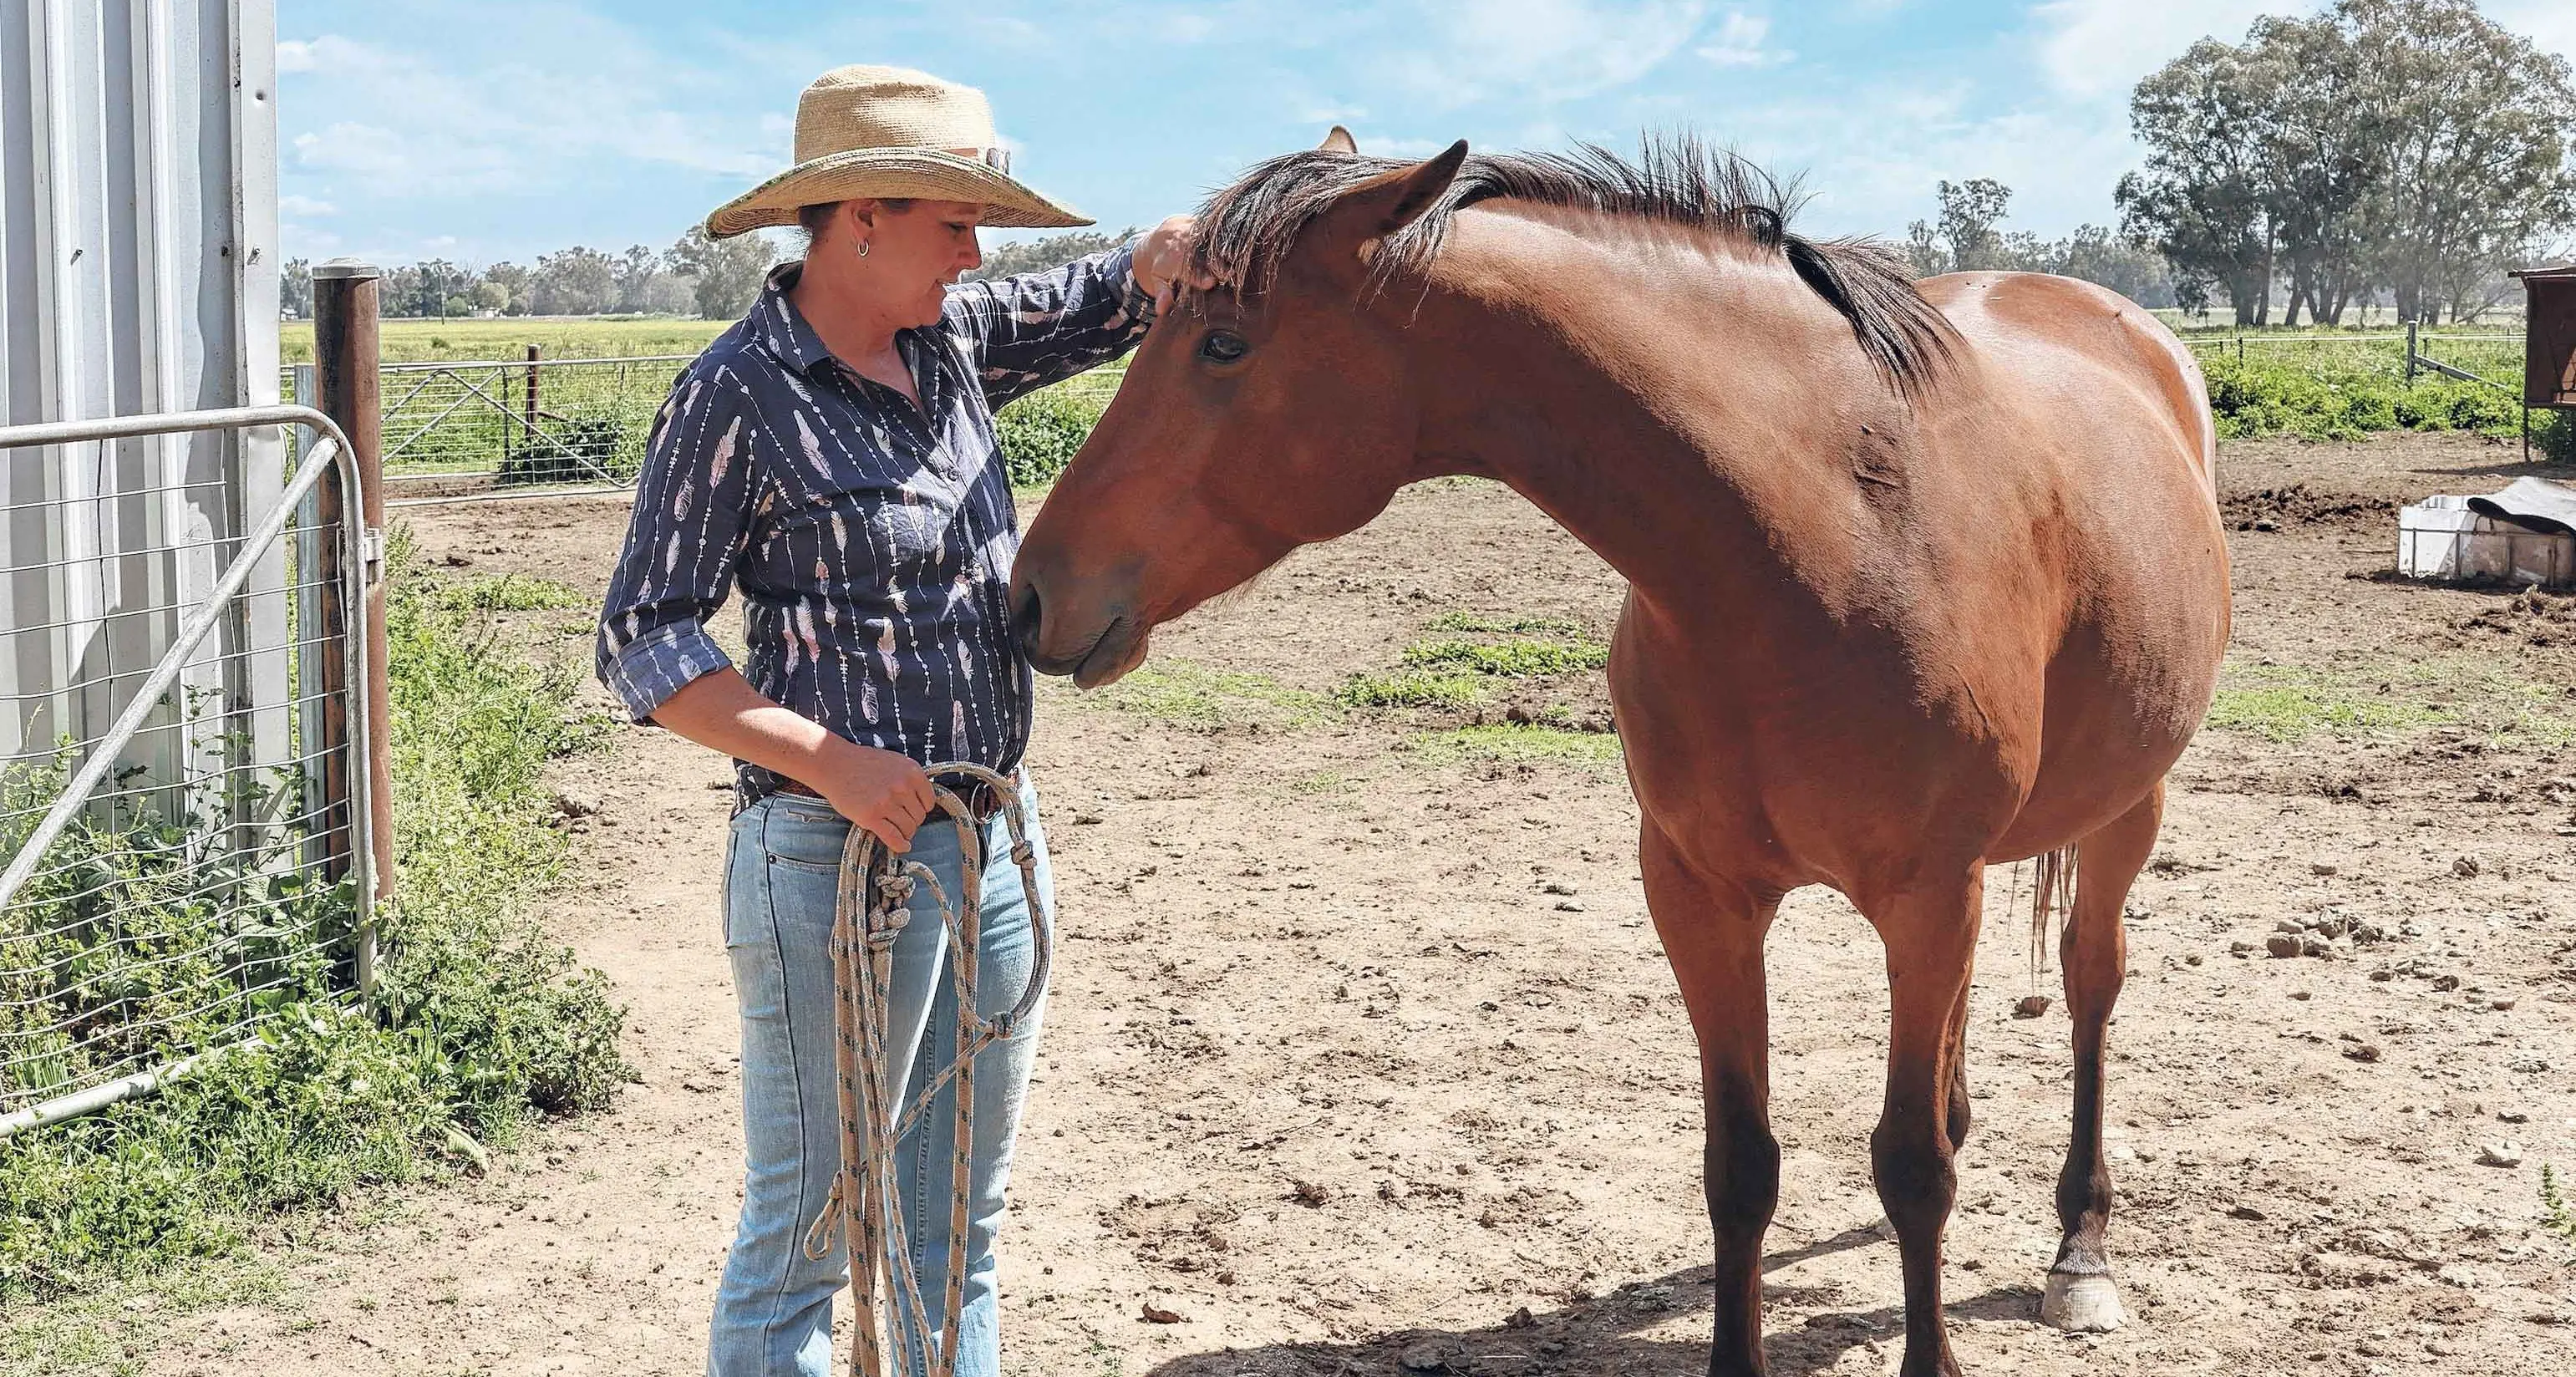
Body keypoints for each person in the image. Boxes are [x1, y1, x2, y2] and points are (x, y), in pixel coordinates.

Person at [593, 64, 1205, 1377]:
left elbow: (1103, 294)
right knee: (805, 1237)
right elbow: (641, 637)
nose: (978, 257)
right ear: (857, 218)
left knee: (952, 1234)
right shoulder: (738, 395)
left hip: (988, 838)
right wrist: (832, 761)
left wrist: (1164, 250)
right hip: (831, 857)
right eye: (954, 226)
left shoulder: (951, 341)